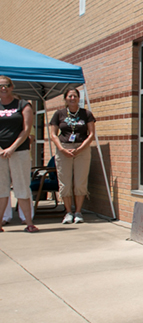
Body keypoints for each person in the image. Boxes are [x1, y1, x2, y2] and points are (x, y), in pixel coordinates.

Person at [49, 87, 96, 224]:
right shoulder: (59, 114)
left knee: (80, 181)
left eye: (75, 96)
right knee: (65, 182)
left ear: (78, 98)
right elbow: (53, 134)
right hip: (64, 149)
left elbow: (91, 134)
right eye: (70, 96)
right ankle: (68, 212)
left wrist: (80, 148)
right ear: (65, 99)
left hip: (82, 149)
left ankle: (78, 212)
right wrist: (61, 149)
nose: (72, 98)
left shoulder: (86, 114)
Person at [0, 76, 38, 232]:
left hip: (19, 151)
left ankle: (28, 223)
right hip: (0, 153)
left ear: (12, 87)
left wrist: (12, 148)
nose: (3, 88)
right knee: (1, 188)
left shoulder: (23, 105)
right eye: (0, 86)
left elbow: (26, 129)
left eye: (6, 85)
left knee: (21, 186)